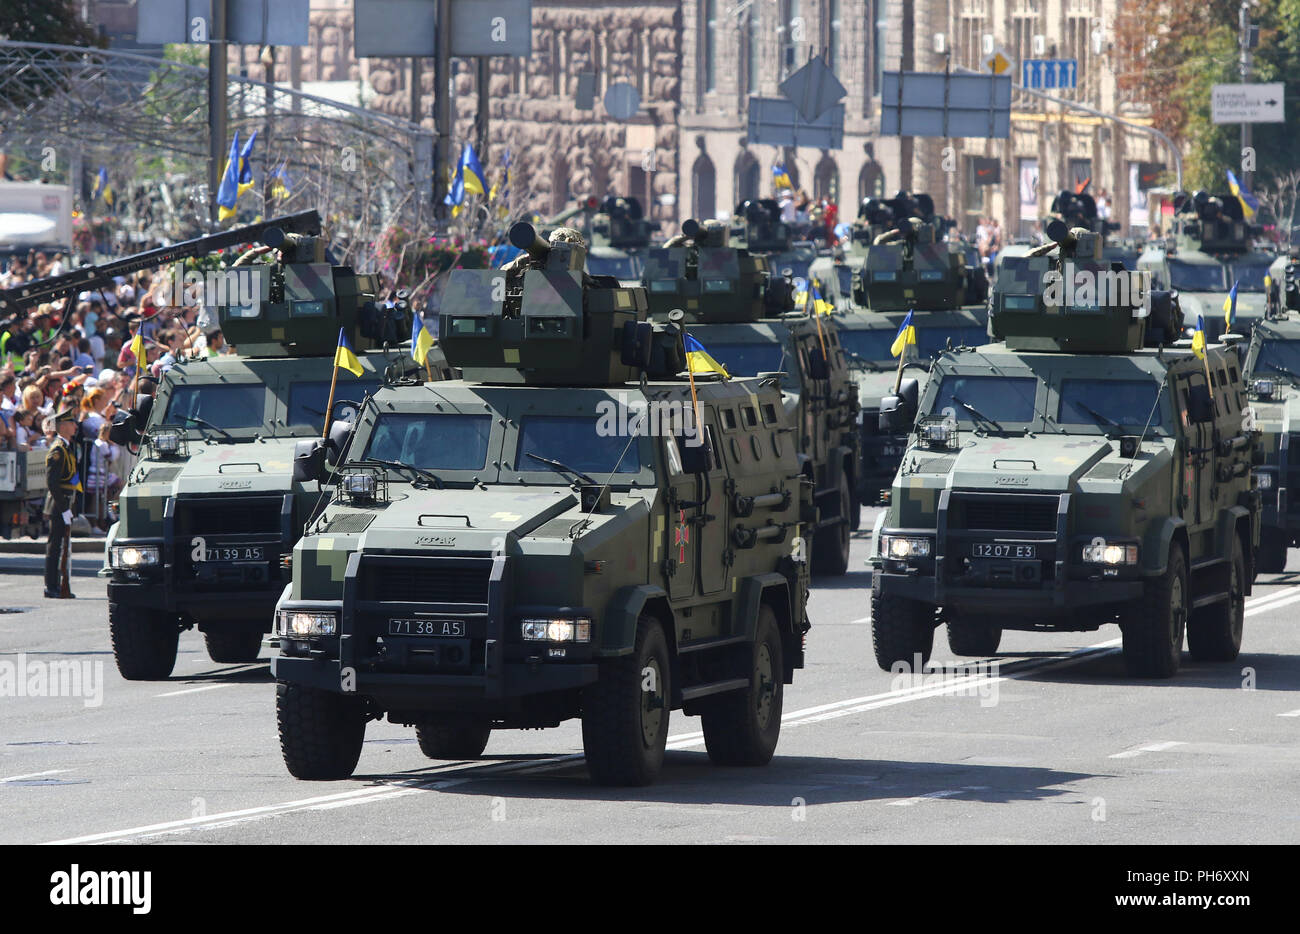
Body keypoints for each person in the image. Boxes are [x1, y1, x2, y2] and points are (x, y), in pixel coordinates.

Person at [44, 407, 80, 599]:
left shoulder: (66, 447)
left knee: (62, 546)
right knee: (55, 546)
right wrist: (64, 508)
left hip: (66, 502)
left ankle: (58, 584)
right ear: (63, 426)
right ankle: (51, 586)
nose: (75, 426)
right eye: (72, 422)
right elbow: (52, 482)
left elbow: (71, 476)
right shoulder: (58, 450)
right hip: (59, 504)